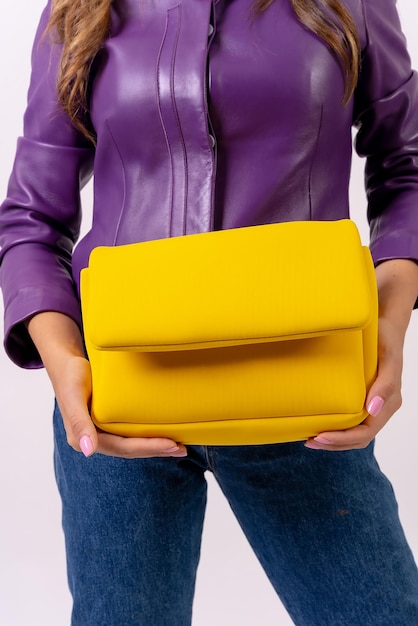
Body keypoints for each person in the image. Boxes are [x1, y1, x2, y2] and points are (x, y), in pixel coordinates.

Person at [1, 0, 418, 623]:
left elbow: (407, 169)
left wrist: (388, 325)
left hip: (304, 397)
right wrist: (65, 364)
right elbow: (31, 219)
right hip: (119, 404)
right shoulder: (81, 10)